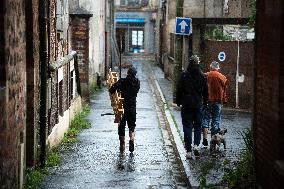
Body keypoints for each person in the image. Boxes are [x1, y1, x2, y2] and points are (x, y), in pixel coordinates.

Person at [176, 55, 208, 159]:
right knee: (198, 125)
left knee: (187, 126)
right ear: (198, 63)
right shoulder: (202, 76)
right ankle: (196, 146)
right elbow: (206, 91)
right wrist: (205, 102)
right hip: (198, 105)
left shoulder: (184, 75)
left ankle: (189, 151)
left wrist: (178, 101)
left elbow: (179, 89)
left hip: (186, 104)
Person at [109, 66, 140, 153]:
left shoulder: (123, 81)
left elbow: (111, 89)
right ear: (135, 74)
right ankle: (132, 139)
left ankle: (122, 144)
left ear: (128, 73)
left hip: (122, 107)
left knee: (122, 126)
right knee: (132, 126)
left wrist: (117, 88)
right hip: (132, 108)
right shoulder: (137, 82)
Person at [202, 61, 228, 147]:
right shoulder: (222, 77)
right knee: (216, 120)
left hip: (207, 101)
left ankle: (205, 138)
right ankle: (214, 140)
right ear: (217, 68)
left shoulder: (205, 75)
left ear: (210, 67)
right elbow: (224, 91)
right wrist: (224, 100)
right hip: (218, 101)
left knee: (205, 118)